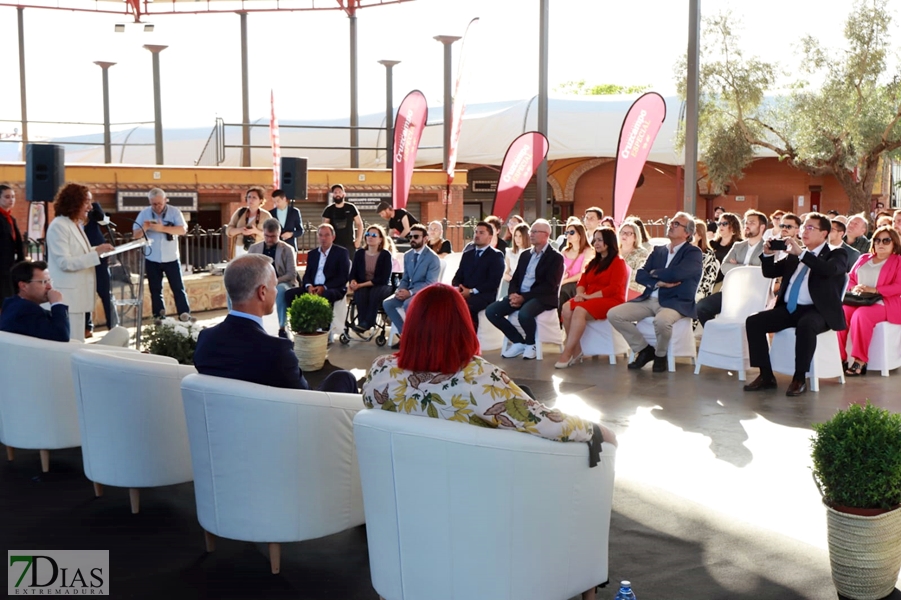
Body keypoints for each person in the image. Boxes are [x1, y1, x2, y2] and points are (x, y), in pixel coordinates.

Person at [362, 283, 616, 454]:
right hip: (474, 491)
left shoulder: (380, 370)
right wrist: (597, 430)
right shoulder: (478, 378)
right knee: (523, 397)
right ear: (462, 325)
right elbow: (543, 422)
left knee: (523, 392)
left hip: (399, 487)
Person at [193, 254, 357, 393]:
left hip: (224, 424)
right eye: (274, 285)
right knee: (344, 378)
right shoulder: (277, 351)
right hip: (285, 426)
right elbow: (304, 400)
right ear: (262, 292)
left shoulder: (206, 339)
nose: (277, 290)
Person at [744, 213, 848, 397]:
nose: (804, 232)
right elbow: (770, 272)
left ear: (824, 233)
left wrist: (802, 254)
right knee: (754, 322)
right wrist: (768, 255)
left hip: (818, 311)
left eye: (810, 228)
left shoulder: (836, 254)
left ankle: (799, 378)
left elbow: (829, 270)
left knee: (806, 325)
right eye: (803, 228)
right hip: (790, 309)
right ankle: (766, 376)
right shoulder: (795, 255)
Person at [607, 212, 703, 372]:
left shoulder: (693, 253)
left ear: (687, 233)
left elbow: (677, 274)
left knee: (661, 321)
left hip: (674, 302)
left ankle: (660, 355)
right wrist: (658, 281)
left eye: (677, 224)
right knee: (614, 314)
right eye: (672, 222)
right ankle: (645, 350)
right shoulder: (658, 250)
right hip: (648, 299)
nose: (671, 225)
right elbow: (640, 274)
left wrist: (654, 272)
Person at [1, 260, 130, 346]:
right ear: (23, 286)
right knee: (121, 333)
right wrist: (57, 304)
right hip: (63, 363)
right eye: (43, 282)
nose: (49, 287)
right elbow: (61, 336)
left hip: (58, 355)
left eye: (49, 281)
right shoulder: (26, 310)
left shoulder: (12, 305)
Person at [45, 183, 115, 342]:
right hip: (69, 297)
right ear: (73, 202)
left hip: (78, 298)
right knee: (72, 343)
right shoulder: (59, 226)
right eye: (86, 202)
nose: (90, 207)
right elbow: (65, 262)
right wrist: (95, 254)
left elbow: (79, 252)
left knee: (78, 343)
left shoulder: (75, 224)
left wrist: (98, 249)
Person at [486, 219, 564, 360]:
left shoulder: (555, 257)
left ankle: (530, 343)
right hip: (520, 294)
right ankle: (518, 341)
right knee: (491, 311)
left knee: (525, 313)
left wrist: (524, 297)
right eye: (531, 231)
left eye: (535, 232)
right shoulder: (525, 254)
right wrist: (513, 295)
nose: (531, 234)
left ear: (546, 235)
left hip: (542, 297)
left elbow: (549, 285)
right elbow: (515, 278)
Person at [556, 227, 628, 369]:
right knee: (566, 307)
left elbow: (613, 288)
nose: (596, 243)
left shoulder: (618, 262)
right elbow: (582, 282)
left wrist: (588, 297)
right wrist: (580, 295)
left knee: (579, 310)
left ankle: (567, 351)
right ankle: (576, 350)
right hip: (589, 298)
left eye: (600, 240)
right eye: (595, 240)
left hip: (611, 299)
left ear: (609, 242)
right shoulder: (593, 262)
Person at [837, 226, 901, 376]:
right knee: (841, 312)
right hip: (859, 299)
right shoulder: (864, 258)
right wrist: (854, 288)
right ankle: (840, 358)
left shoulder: (898, 261)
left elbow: (899, 286)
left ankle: (860, 360)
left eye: (886, 240)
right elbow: (851, 278)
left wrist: (876, 290)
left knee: (861, 315)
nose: (881, 243)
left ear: (894, 243)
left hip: (885, 303)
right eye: (877, 240)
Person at [695, 210, 766, 327]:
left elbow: (761, 272)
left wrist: (736, 266)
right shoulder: (738, 246)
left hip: (752, 295)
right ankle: (715, 335)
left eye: (752, 223)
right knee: (702, 307)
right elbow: (724, 267)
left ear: (762, 227)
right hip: (729, 291)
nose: (747, 225)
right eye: (746, 222)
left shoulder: (767, 248)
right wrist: (747, 267)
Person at [134, 188, 192, 321]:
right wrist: (146, 227)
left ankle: (184, 315)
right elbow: (135, 235)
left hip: (171, 257)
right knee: (155, 290)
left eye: (160, 203)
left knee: (178, 288)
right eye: (154, 204)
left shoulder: (174, 212)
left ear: (165, 200)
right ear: (150, 202)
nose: (157, 207)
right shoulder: (144, 213)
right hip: (152, 258)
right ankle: (159, 317)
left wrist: (163, 229)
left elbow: (183, 230)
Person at [382, 224, 440, 346]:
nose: (412, 239)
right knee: (387, 303)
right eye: (410, 236)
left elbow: (431, 283)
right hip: (409, 291)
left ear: (425, 239)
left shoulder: (432, 258)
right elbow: (405, 278)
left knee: (409, 303)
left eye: (416, 236)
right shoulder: (408, 255)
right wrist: (400, 290)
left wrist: (410, 293)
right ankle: (406, 336)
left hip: (426, 293)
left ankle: (417, 338)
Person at [451, 221, 505, 331]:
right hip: (463, 292)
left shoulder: (496, 255)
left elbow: (493, 282)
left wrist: (471, 291)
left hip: (484, 295)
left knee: (468, 306)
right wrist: (457, 287)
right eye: (476, 232)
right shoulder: (467, 254)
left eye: (481, 233)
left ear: (490, 237)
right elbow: (458, 276)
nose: (477, 235)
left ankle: (471, 340)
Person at [248, 218, 297, 338]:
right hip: (259, 282)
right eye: (267, 236)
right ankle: (249, 326)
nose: (269, 239)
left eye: (273, 236)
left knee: (280, 290)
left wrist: (273, 282)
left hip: (281, 282)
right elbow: (249, 271)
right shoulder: (254, 249)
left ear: (279, 234)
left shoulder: (287, 249)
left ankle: (282, 327)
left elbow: (291, 274)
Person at [285, 224, 350, 308]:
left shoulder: (341, 253)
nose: (323, 238)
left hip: (332, 288)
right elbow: (307, 275)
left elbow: (343, 277)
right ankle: (297, 320)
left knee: (327, 295)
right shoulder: (312, 254)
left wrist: (324, 287)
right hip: (313, 287)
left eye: (327, 235)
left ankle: (323, 320)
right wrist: (309, 286)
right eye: (320, 235)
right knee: (289, 294)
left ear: (333, 237)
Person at [349, 224, 394, 332]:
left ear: (380, 239)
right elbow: (353, 272)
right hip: (363, 284)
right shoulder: (360, 253)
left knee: (374, 292)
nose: (370, 237)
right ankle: (362, 323)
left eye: (374, 235)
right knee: (360, 293)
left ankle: (368, 322)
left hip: (381, 285)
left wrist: (360, 285)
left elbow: (382, 279)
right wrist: (353, 282)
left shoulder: (385, 255)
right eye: (367, 234)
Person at [83, 202, 117, 336]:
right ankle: (87, 327)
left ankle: (113, 326)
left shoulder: (94, 208)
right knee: (85, 294)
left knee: (105, 293)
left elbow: (103, 221)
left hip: (99, 259)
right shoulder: (73, 217)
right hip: (83, 259)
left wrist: (95, 211)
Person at [558, 220, 593, 317]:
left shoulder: (588, 251)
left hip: (579, 284)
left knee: (563, 290)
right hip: (563, 281)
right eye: (566, 232)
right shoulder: (565, 251)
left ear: (580, 234)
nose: (568, 235)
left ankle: (560, 320)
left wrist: (564, 281)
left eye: (572, 232)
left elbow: (583, 273)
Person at [227, 186, 272, 258]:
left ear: (261, 200)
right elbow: (228, 231)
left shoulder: (266, 215)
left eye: (254, 197)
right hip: (239, 249)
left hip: (257, 249)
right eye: (249, 197)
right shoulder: (240, 212)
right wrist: (240, 230)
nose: (251, 199)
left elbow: (271, 236)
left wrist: (256, 231)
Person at [0, 184, 26, 307]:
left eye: (13, 197)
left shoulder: (11, 218)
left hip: (10, 266)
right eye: (7, 197)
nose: (11, 200)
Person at [322, 184, 363, 253]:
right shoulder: (329, 210)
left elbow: (359, 224)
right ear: (333, 195)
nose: (338, 194)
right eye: (335, 193)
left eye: (339, 192)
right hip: (333, 245)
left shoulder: (351, 207)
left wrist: (358, 240)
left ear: (344, 194)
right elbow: (325, 227)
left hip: (349, 244)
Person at [709, 212, 743, 290]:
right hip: (711, 280)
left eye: (724, 223)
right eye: (719, 223)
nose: (721, 226)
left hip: (728, 282)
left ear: (733, 226)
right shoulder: (712, 244)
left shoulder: (740, 245)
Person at [618, 220, 649, 300]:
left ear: (635, 237)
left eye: (629, 233)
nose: (624, 235)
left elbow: (638, 275)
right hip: (615, 288)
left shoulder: (642, 253)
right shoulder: (614, 251)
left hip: (633, 289)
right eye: (622, 232)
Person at [691, 218, 720, 301]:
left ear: (700, 235)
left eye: (693, 233)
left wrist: (697, 295)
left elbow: (709, 279)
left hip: (698, 293)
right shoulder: (682, 251)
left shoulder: (708, 255)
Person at [502, 222, 530, 299]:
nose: (517, 239)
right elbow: (506, 271)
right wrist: (512, 280)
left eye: (520, 236)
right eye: (515, 236)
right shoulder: (509, 252)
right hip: (511, 284)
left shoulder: (531, 253)